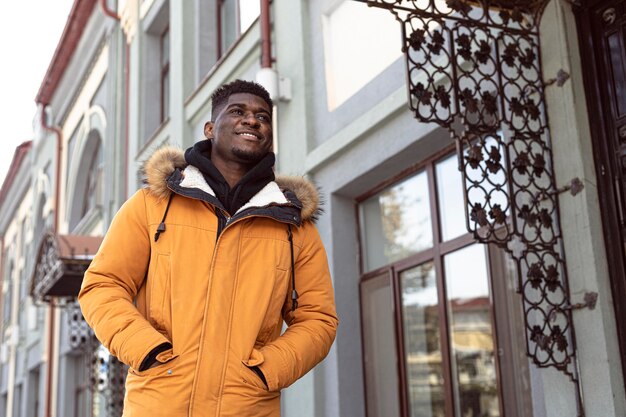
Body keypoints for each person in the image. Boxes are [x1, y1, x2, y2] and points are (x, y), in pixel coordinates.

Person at [78, 80, 338, 417]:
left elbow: (318, 319)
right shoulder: (152, 206)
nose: (252, 120)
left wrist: (266, 370)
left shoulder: (293, 226)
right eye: (238, 111)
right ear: (210, 128)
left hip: (246, 407)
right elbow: (103, 285)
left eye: (263, 116)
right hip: (159, 403)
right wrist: (147, 350)